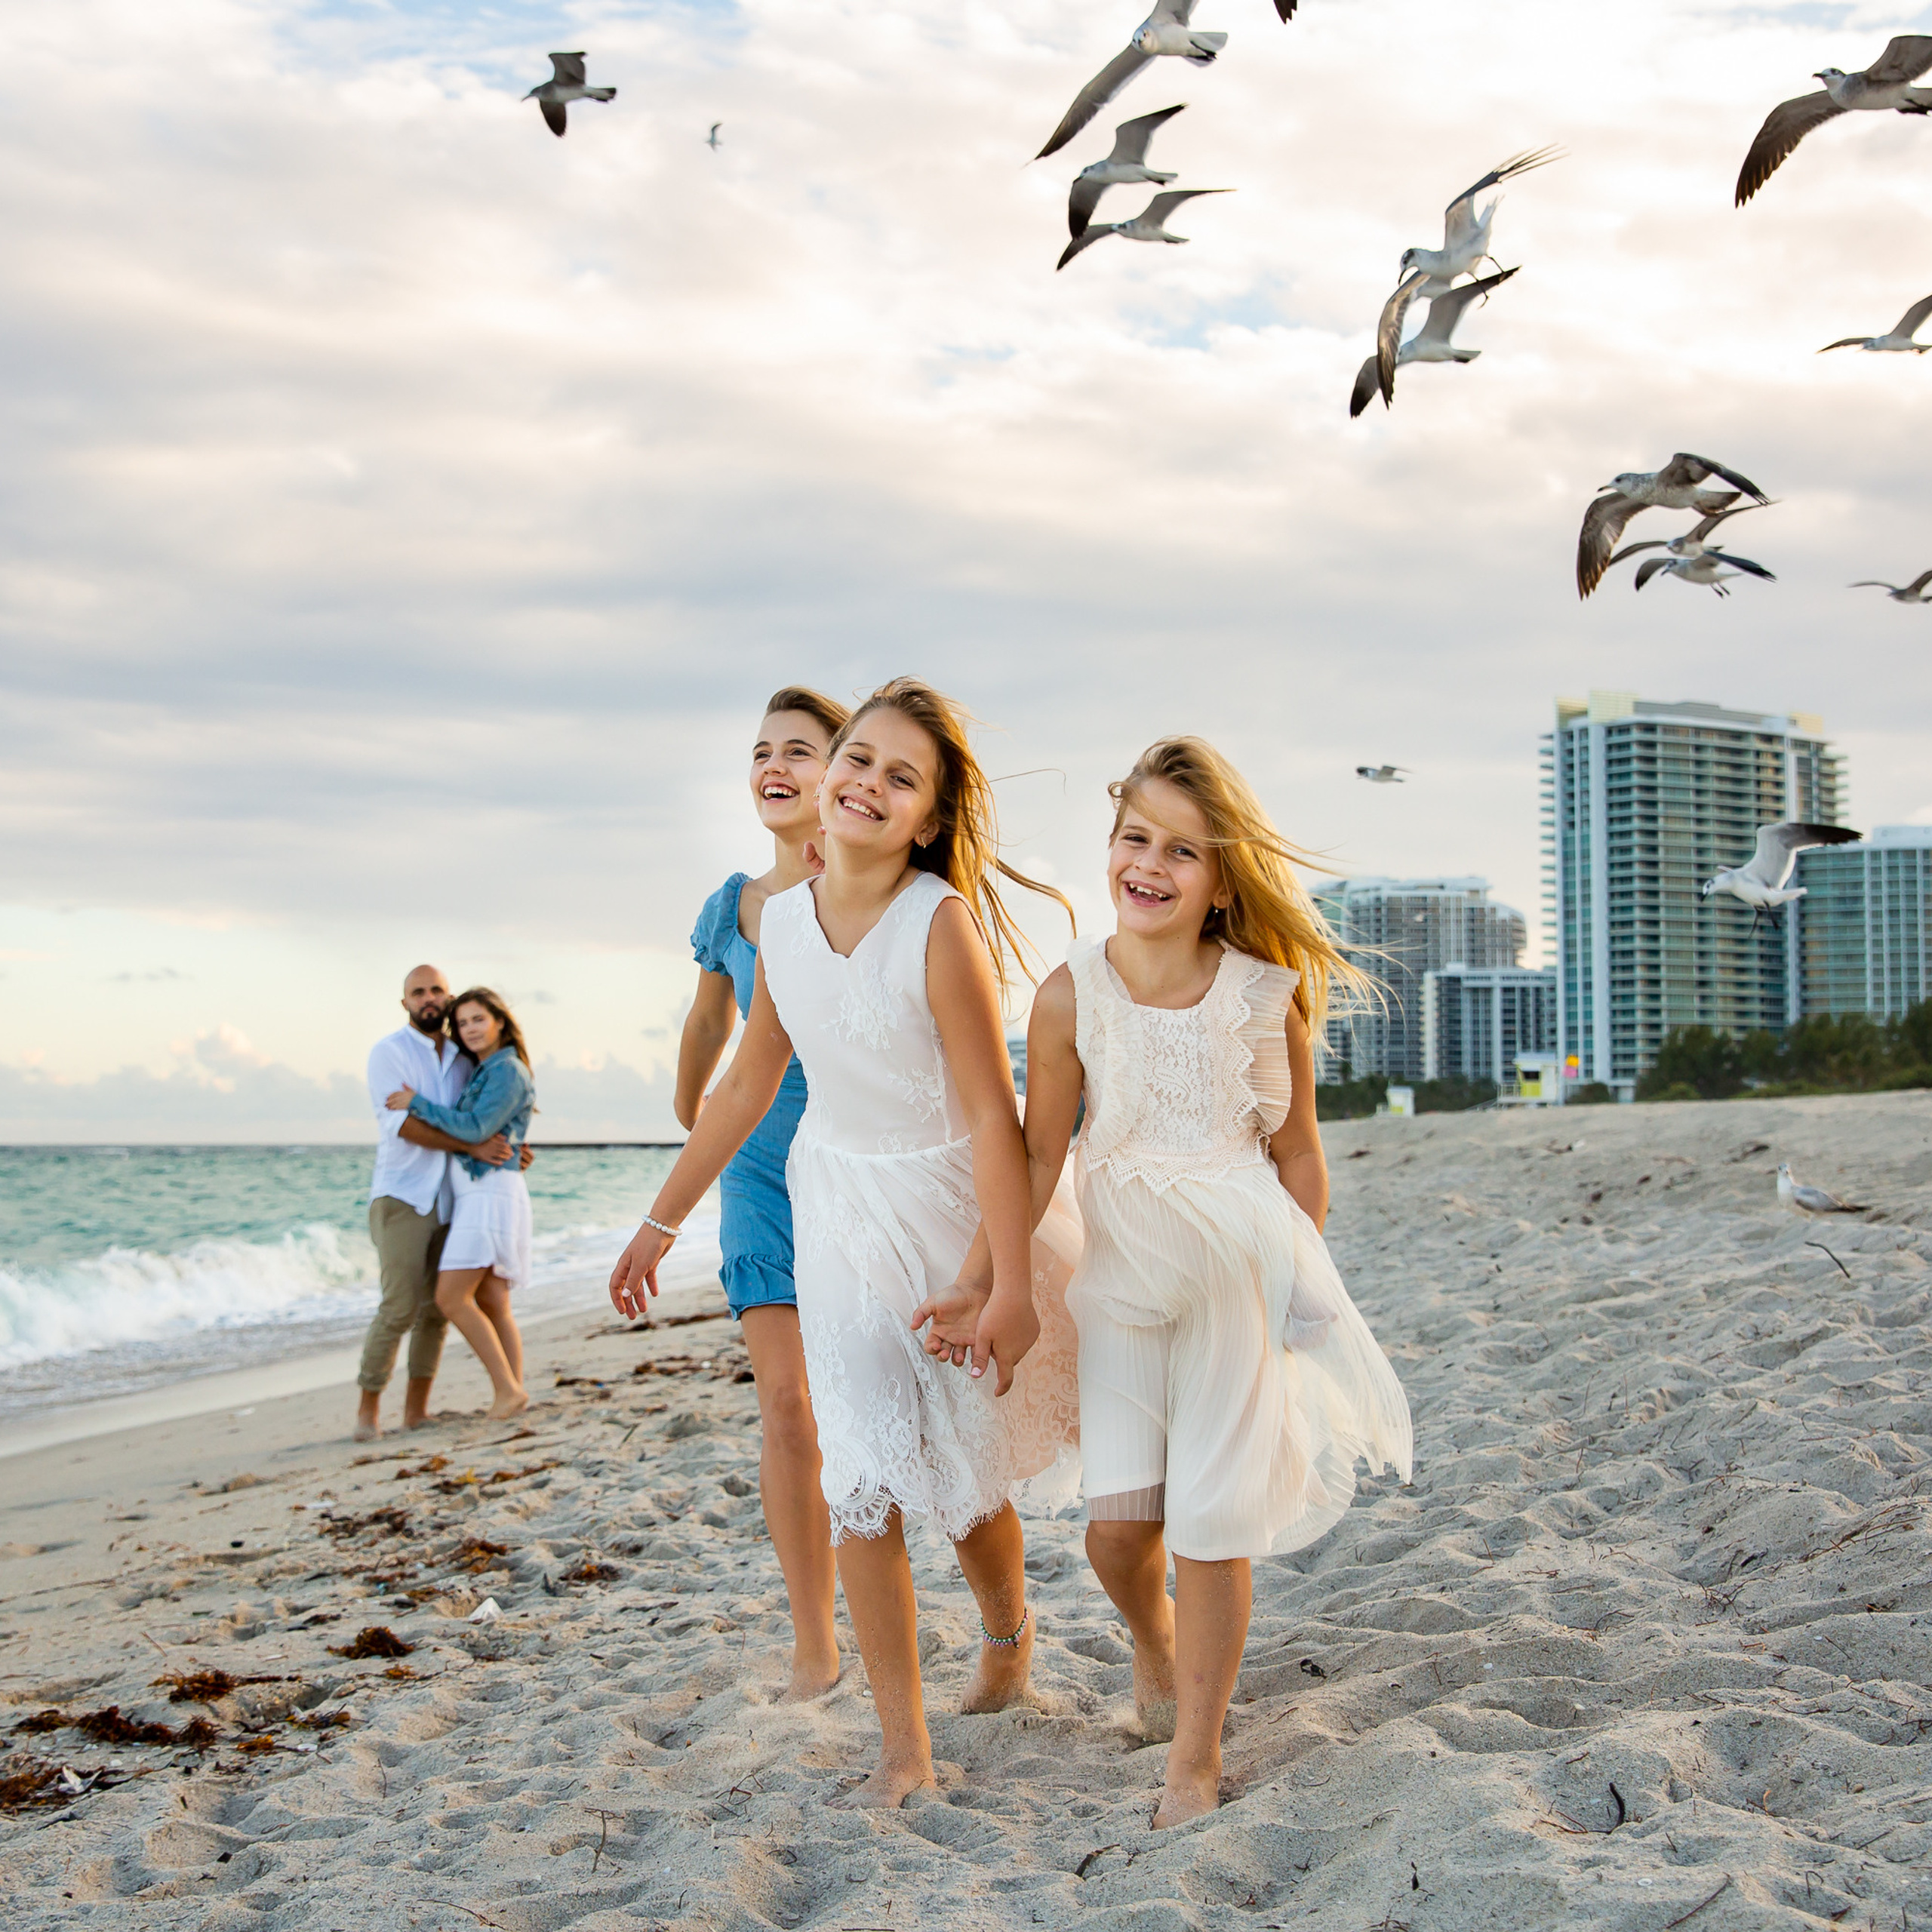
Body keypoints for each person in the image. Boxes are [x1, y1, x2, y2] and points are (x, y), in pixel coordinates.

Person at [609, 676, 1080, 1807]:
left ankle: (1009, 1630)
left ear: (927, 818)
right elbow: (746, 1081)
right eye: (857, 758)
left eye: (899, 775)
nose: (866, 781)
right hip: (835, 1211)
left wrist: (1007, 1280)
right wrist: (660, 1217)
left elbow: (989, 1115)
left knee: (963, 1466)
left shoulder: (937, 923)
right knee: (861, 1474)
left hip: (945, 1207)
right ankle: (903, 1747)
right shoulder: (777, 922)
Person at [939, 737, 1412, 1828]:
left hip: (1239, 1283)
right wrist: (981, 1278)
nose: (1149, 865)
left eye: (1181, 851)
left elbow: (1297, 1155)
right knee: (1117, 1533)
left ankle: (1193, 1758)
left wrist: (1304, 1271)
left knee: (1210, 1527)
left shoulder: (1258, 997)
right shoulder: (1070, 996)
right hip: (1123, 1291)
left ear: (1220, 879)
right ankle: (1152, 1642)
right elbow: (1037, 1154)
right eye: (1134, 839)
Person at [676, 685, 851, 1700]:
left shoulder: (872, 890)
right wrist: (683, 1104)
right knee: (788, 1410)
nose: (774, 767)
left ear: (843, 773)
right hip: (755, 1172)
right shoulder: (732, 904)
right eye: (760, 752)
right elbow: (708, 1025)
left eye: (799, 750)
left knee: (878, 1410)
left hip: (859, 1170)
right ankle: (815, 1641)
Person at [358, 964, 528, 1442]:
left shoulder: (465, 1057)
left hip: (456, 1198)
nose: (428, 998)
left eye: (436, 990)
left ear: (447, 998)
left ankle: (416, 1413)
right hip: (404, 1195)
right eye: (418, 992)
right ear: (405, 1002)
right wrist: (473, 1147)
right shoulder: (388, 1053)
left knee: (438, 1310)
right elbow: (404, 1126)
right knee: (398, 1306)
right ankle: (367, 1413)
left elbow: (486, 1118)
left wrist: (511, 1147)